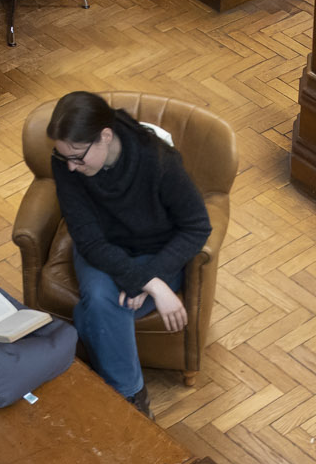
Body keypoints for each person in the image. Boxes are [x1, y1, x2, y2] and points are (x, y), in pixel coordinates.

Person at [46, 91, 212, 417]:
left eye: (78, 157)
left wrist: (153, 275)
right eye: (64, 156)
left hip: (158, 253)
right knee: (101, 297)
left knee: (98, 306)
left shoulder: (159, 161)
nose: (71, 167)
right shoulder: (66, 163)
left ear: (105, 137)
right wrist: (152, 285)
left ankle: (117, 390)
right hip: (103, 251)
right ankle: (134, 400)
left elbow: (196, 227)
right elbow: (90, 242)